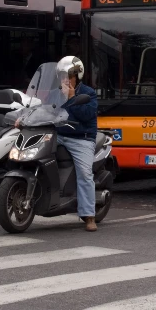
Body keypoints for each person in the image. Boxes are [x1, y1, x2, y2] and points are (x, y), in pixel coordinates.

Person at [53, 55, 99, 232]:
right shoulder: (55, 93)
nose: (65, 80)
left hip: (82, 138)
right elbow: (42, 108)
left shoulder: (88, 93)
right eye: (62, 76)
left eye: (68, 76)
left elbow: (87, 115)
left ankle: (89, 215)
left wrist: (71, 97)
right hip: (58, 135)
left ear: (78, 75)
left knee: (85, 174)